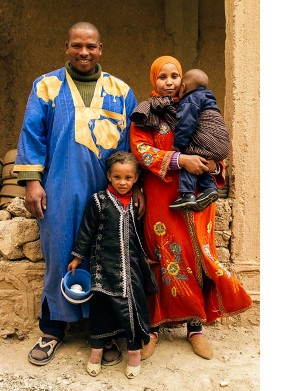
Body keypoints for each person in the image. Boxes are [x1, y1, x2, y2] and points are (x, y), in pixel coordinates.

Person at [14, 22, 140, 367]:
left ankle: (101, 332)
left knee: (105, 259)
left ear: (101, 48)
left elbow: (131, 145)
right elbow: (32, 134)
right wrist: (31, 182)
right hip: (60, 187)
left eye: (91, 46)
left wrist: (134, 189)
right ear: (66, 47)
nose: (84, 52)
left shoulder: (120, 90)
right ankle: (53, 329)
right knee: (60, 252)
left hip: (109, 191)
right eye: (76, 46)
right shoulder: (47, 86)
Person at [129, 56, 251, 360]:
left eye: (175, 75)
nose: (169, 82)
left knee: (198, 258)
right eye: (162, 77)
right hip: (160, 198)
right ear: (153, 80)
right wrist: (179, 160)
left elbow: (213, 139)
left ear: (182, 79)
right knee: (160, 258)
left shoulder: (198, 104)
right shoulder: (146, 114)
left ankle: (195, 328)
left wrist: (213, 164)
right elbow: (141, 151)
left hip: (197, 199)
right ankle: (154, 328)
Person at [67, 151, 156, 379]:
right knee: (102, 310)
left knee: (133, 311)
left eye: (128, 178)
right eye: (117, 177)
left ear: (135, 178)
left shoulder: (137, 203)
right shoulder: (99, 201)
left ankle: (134, 353)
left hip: (131, 268)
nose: (122, 182)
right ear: (109, 176)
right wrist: (77, 257)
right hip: (103, 267)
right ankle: (96, 353)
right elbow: (86, 230)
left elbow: (142, 232)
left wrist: (146, 255)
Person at [169, 68, 231, 211]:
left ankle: (187, 194)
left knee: (190, 154)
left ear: (183, 86)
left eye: (174, 77)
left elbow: (186, 123)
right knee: (201, 160)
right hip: (221, 145)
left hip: (210, 142)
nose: (170, 83)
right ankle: (209, 188)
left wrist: (178, 146)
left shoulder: (190, 100)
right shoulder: (208, 99)